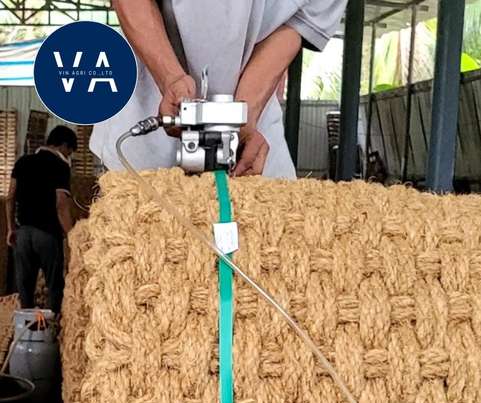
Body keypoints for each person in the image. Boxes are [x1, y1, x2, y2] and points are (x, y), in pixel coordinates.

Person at [92, 0, 347, 178]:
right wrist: (171, 78)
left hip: (252, 141)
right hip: (145, 129)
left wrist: (243, 116)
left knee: (263, 231)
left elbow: (295, 25)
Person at [5, 125, 77, 315]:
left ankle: (26, 326)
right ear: (64, 145)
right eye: (70, 151)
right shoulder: (60, 166)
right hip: (47, 234)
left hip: (23, 233)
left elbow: (10, 197)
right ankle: (52, 327)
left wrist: (11, 228)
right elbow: (61, 204)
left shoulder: (23, 162)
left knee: (24, 286)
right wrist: (72, 235)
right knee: (54, 285)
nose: (69, 155)